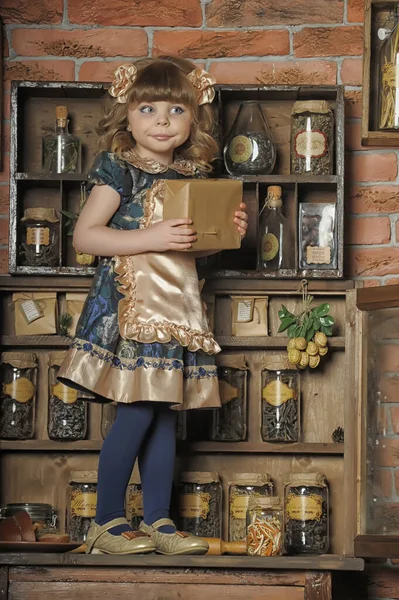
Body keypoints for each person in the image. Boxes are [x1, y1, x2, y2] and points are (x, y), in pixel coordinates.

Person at [58, 56, 248, 556]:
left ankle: (159, 522)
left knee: (166, 412)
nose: (162, 120)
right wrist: (152, 234)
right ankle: (105, 522)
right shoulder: (118, 168)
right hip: (131, 306)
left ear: (194, 120)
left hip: (176, 308)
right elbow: (87, 235)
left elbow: (189, 245)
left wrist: (224, 234)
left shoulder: (192, 173)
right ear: (127, 116)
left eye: (175, 111)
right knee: (139, 410)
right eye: (148, 109)